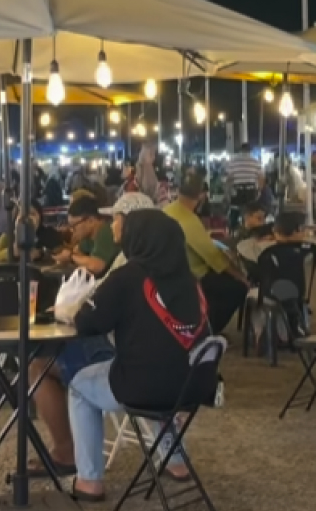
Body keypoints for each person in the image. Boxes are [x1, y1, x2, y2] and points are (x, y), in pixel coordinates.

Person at [69, 209, 212, 501]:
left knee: (79, 386)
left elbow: (87, 322)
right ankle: (176, 461)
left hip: (144, 386)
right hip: (195, 383)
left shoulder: (128, 276)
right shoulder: (191, 280)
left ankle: (89, 481)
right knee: (162, 365)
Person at [166, 173, 248, 333]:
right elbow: (214, 258)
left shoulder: (168, 210)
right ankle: (209, 330)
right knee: (237, 288)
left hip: (173, 271)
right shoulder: (189, 220)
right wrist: (240, 277)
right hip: (193, 275)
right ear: (202, 195)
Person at [95, 192, 156, 284]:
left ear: (130, 223)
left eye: (115, 220)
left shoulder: (133, 264)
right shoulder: (125, 255)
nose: (111, 226)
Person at [54, 196, 119, 276]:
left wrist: (71, 256)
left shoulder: (106, 232)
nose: (72, 230)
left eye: (74, 226)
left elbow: (98, 266)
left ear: (90, 221)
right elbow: (78, 253)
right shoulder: (87, 238)